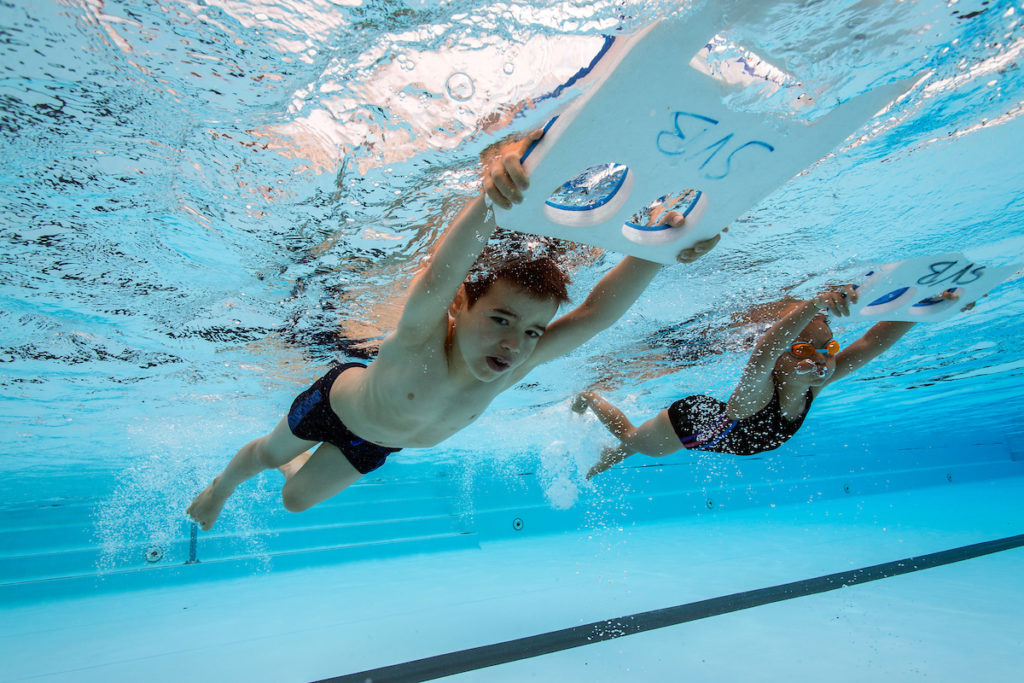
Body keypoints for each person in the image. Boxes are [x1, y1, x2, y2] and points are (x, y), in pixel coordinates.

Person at [188, 130, 722, 530]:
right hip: (334, 405)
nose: (514, 344)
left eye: (532, 332)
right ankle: (219, 489)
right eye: (500, 319)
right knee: (267, 455)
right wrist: (492, 199)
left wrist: (658, 253)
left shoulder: (513, 364)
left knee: (294, 501)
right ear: (459, 307)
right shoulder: (420, 338)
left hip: (378, 443)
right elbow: (440, 274)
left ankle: (297, 464)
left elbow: (595, 315)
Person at [574, 286, 961, 479]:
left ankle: (614, 453)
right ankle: (588, 396)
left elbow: (871, 343)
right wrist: (813, 304)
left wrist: (925, 306)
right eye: (803, 350)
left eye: (827, 348)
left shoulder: (815, 381)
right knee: (635, 440)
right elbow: (764, 351)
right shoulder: (757, 395)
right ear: (780, 360)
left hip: (725, 423)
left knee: (634, 447)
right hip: (696, 426)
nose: (821, 359)